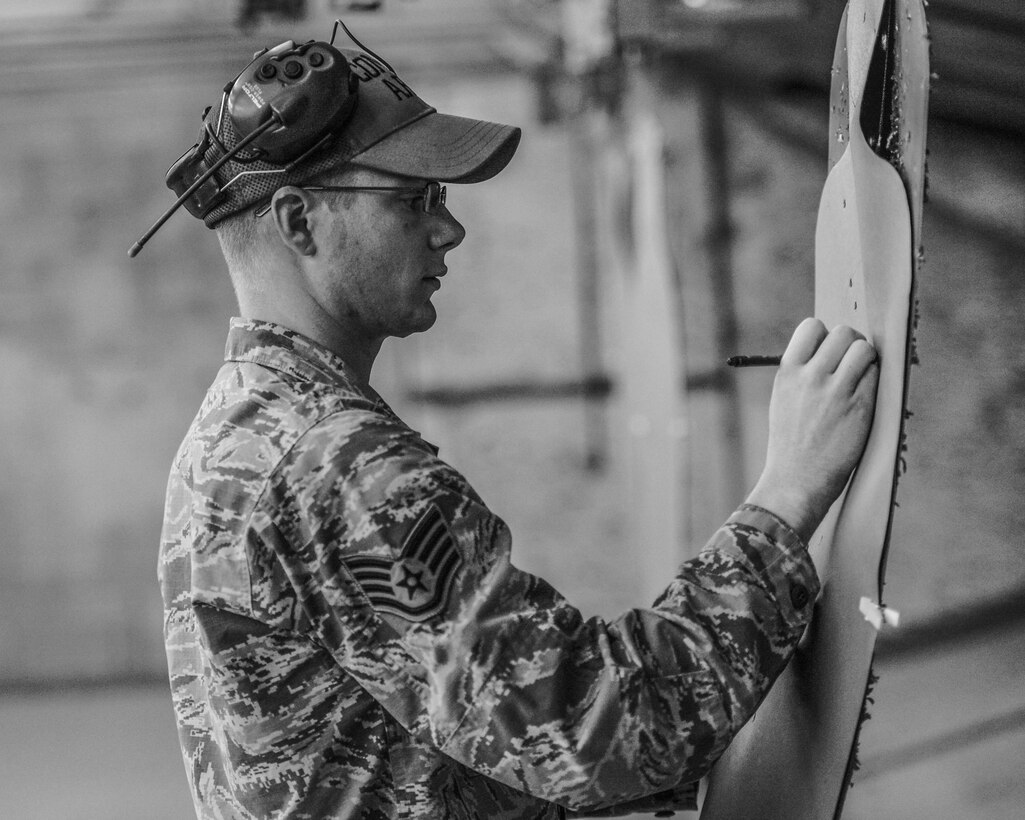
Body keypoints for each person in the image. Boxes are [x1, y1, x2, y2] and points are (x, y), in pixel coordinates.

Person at [157, 31, 879, 820]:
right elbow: (598, 735)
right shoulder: (332, 462)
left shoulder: (242, 426)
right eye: (412, 199)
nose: (448, 229)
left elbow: (438, 746)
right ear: (299, 222)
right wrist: (788, 493)